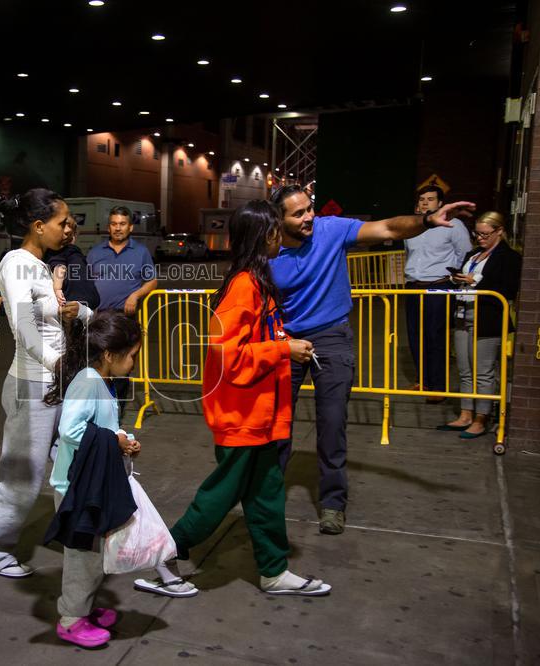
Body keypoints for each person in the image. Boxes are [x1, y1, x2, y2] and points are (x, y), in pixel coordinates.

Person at [269, 185, 474, 535]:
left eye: (309, 209)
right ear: (279, 219)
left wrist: (426, 220)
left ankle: (333, 503)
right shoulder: (268, 250)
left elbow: (389, 228)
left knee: (331, 423)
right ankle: (267, 497)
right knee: (276, 425)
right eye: (298, 213)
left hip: (331, 337)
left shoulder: (330, 229)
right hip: (286, 339)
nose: (309, 217)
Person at [166, 200, 331, 597]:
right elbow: (230, 357)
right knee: (220, 496)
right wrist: (283, 351)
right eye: (277, 230)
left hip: (260, 415)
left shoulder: (256, 281)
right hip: (240, 415)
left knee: (267, 491)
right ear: (265, 236)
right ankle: (162, 552)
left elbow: (256, 340)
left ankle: (274, 571)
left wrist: (284, 342)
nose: (283, 236)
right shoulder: (244, 286)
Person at [0, 188, 91, 578]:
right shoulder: (16, 263)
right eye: (61, 222)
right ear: (39, 226)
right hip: (32, 385)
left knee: (76, 464)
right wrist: (58, 363)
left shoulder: (40, 265)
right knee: (21, 476)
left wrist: (81, 311)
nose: (68, 228)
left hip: (56, 382)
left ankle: (84, 535)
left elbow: (56, 317)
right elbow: (22, 325)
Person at [46, 310, 144, 648]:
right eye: (132, 356)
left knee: (94, 554)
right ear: (109, 354)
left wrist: (122, 438)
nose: (133, 363)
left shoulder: (99, 380)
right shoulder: (88, 380)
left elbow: (99, 422)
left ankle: (83, 608)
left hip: (90, 482)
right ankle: (71, 619)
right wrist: (113, 440)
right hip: (76, 486)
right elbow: (71, 429)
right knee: (83, 557)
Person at [440, 211, 521, 438]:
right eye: (477, 233)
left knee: (483, 373)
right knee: (465, 370)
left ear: (500, 231)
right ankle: (466, 414)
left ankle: (481, 418)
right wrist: (457, 279)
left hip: (487, 319)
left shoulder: (509, 257)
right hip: (463, 314)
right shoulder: (474, 253)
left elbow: (507, 289)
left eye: (485, 234)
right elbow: (468, 277)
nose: (480, 238)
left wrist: (476, 281)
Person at [86, 206, 157, 414]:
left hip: (124, 318)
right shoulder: (95, 252)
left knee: (121, 368)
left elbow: (152, 281)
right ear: (109, 227)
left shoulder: (140, 252)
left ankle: (116, 413)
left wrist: (135, 295)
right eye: (114, 224)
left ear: (130, 227)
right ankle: (97, 410)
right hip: (99, 318)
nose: (118, 228)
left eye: (122, 224)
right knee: (97, 366)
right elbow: (87, 281)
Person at [404, 185, 472, 400]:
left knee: (436, 336)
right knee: (416, 335)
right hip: (413, 286)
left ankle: (438, 386)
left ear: (440, 203)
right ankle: (423, 380)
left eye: (431, 199)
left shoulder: (454, 225)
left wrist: (453, 278)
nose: (425, 203)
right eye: (422, 199)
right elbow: (409, 254)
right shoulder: (412, 227)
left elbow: (465, 254)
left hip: (439, 286)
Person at [45, 216, 100, 310]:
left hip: (84, 305)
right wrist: (57, 289)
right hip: (75, 304)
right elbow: (59, 267)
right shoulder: (61, 252)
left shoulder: (72, 252)